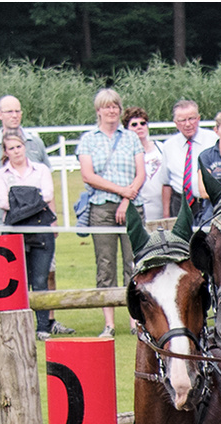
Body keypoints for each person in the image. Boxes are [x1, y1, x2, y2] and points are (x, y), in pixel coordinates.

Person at [78, 88, 145, 339]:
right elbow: (88, 175)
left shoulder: (130, 138)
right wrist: (121, 191)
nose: (112, 110)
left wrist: (127, 199)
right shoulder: (88, 139)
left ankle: (134, 319)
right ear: (99, 111)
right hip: (102, 207)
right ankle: (109, 323)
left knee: (134, 263)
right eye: (107, 106)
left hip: (131, 207)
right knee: (105, 264)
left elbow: (141, 173)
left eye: (115, 106)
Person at [0, 132, 56, 339]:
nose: (16, 152)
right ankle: (21, 326)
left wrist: (19, 198)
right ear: (5, 151)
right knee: (17, 281)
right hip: (15, 231)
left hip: (40, 230)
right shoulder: (0, 174)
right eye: (11, 148)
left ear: (24, 147)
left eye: (18, 147)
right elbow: (3, 202)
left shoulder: (41, 169)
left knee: (40, 280)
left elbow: (47, 195)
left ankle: (43, 326)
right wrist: (32, 199)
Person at [156, 99, 208, 219]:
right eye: (182, 120)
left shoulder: (213, 140)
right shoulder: (168, 146)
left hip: (206, 202)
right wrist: (166, 214)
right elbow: (166, 183)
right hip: (180, 203)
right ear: (175, 122)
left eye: (191, 119)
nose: (188, 124)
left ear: (199, 118)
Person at [123, 107, 163, 218]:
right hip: (139, 205)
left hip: (161, 205)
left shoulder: (161, 148)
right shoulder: (125, 153)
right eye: (134, 125)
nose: (139, 127)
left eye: (142, 123)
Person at [0, 96, 46, 164]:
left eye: (17, 111)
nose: (15, 115)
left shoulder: (36, 143)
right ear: (0, 115)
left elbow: (47, 172)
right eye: (9, 112)